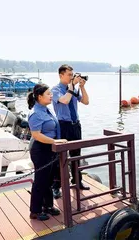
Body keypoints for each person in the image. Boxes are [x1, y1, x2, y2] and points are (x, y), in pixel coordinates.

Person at [27, 83, 67, 221]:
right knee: (40, 180)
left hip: (50, 149)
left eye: (51, 93)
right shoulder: (35, 113)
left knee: (48, 179)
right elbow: (36, 135)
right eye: (48, 94)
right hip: (40, 149)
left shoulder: (46, 110)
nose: (51, 96)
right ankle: (35, 211)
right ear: (39, 97)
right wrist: (54, 141)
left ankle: (48, 206)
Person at [51, 64, 90, 198]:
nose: (71, 77)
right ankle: (56, 186)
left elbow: (86, 101)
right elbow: (65, 100)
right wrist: (72, 87)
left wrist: (82, 87)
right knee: (59, 157)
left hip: (75, 125)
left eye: (72, 75)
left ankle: (77, 181)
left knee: (76, 155)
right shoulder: (56, 90)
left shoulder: (73, 89)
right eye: (69, 75)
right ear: (61, 75)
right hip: (63, 125)